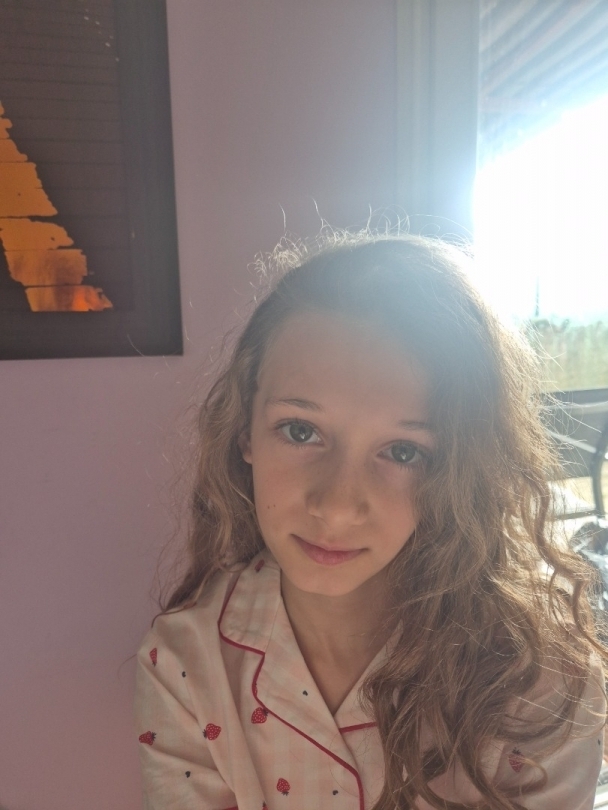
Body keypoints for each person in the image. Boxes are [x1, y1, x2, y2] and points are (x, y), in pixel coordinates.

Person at [134, 230, 607, 809]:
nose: (337, 506)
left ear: (461, 469)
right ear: (244, 433)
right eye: (300, 431)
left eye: (403, 451)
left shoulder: (543, 681)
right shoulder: (185, 662)